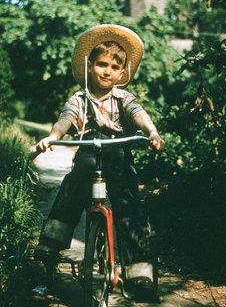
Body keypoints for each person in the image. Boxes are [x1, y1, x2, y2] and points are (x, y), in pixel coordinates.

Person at [34, 24, 165, 302]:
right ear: (89, 65)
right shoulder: (79, 99)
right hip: (89, 155)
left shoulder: (124, 98)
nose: (107, 71)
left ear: (122, 73)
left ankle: (139, 271)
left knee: (130, 206)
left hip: (117, 155)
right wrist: (53, 136)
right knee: (71, 191)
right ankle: (50, 246)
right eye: (101, 64)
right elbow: (65, 119)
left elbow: (138, 114)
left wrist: (152, 132)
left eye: (114, 66)